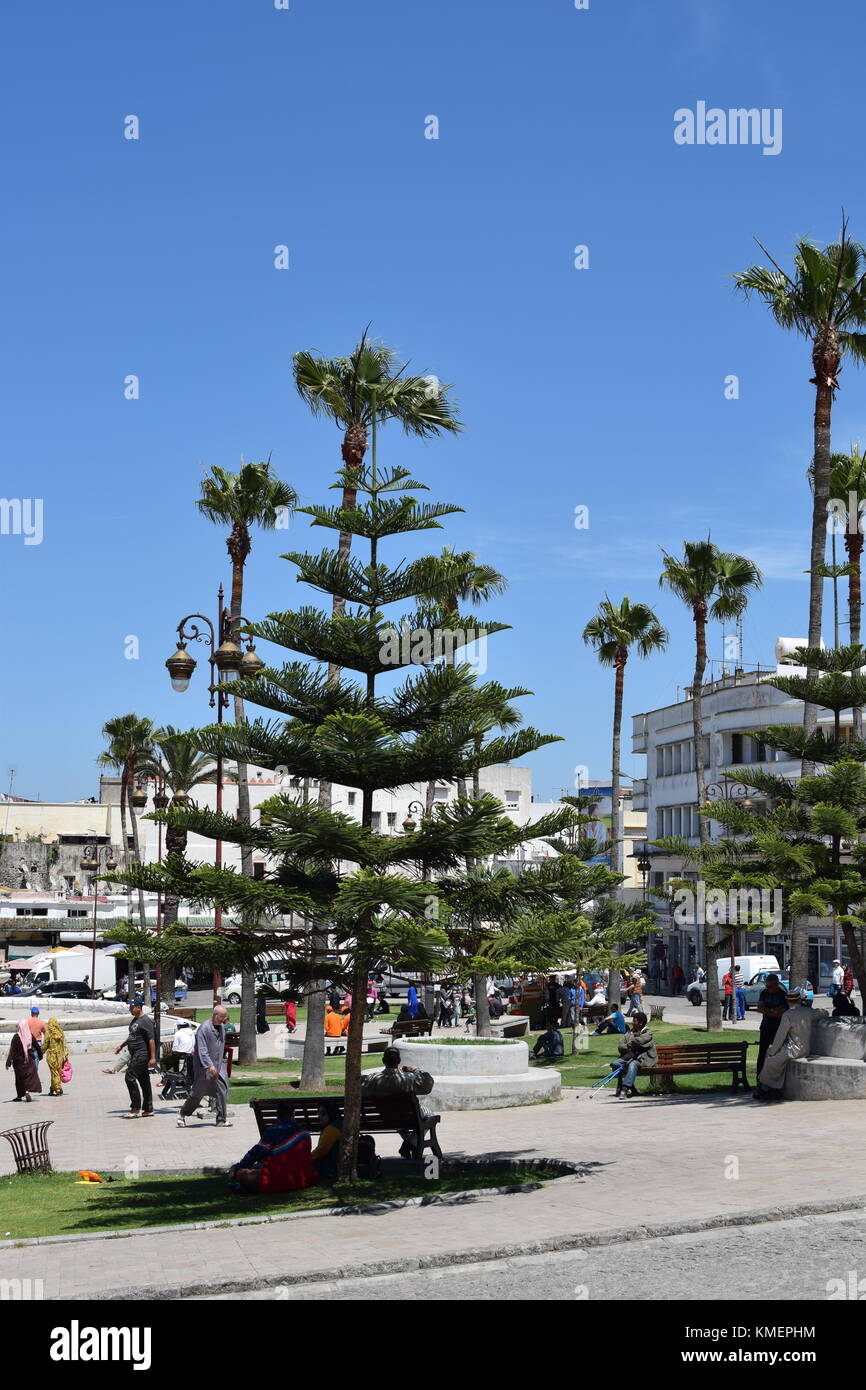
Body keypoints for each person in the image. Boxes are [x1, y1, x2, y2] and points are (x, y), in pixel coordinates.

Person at [361, 1046, 435, 1158]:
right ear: (399, 1061)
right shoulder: (409, 1079)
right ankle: (412, 1143)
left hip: (384, 1116)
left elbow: (359, 1087)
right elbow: (427, 1084)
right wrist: (414, 1070)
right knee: (429, 1114)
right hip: (407, 1116)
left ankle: (409, 1143)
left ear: (383, 1061)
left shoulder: (373, 1079)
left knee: (398, 1118)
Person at [229, 1114, 317, 1194]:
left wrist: (237, 1168)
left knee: (241, 1174)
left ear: (277, 1117)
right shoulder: (304, 1132)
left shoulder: (273, 1130)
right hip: (304, 1179)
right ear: (294, 1114)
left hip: (278, 1180)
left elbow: (255, 1153)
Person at [754, 988, 814, 1101]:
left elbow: (780, 1037)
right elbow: (823, 1012)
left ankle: (765, 1088)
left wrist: (771, 1051)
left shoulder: (788, 1015)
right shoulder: (809, 1012)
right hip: (806, 1049)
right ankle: (772, 1088)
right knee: (776, 1058)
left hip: (794, 1050)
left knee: (770, 1060)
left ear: (789, 1001)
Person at [177, 1006, 231, 1127]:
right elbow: (202, 1050)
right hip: (204, 1067)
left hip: (218, 1066)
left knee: (222, 1090)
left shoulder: (221, 1027)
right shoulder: (204, 1029)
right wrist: (209, 1065)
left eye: (225, 1017)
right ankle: (182, 1114)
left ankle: (221, 1119)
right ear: (215, 1015)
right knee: (198, 1093)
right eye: (222, 1017)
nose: (224, 1019)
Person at [115, 999, 156, 1118]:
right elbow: (132, 1036)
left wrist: (153, 1057)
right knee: (144, 1081)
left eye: (132, 1007)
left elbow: (151, 1040)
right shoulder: (135, 1020)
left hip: (141, 1054)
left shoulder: (146, 1021)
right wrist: (121, 1046)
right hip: (136, 1054)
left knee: (130, 1077)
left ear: (138, 1007)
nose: (130, 1009)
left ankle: (135, 1108)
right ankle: (148, 1109)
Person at [613, 1012, 658, 1098]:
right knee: (615, 1064)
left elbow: (640, 1041)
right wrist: (629, 1046)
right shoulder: (630, 1032)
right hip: (630, 1058)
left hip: (645, 1060)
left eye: (634, 1020)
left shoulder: (648, 1033)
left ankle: (624, 1089)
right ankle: (630, 1088)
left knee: (632, 1064)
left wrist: (629, 1044)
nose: (632, 1022)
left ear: (640, 1023)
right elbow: (620, 1045)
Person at [754, 972, 789, 1076]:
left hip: (778, 1027)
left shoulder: (782, 995)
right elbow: (759, 1009)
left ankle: (776, 1076)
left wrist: (768, 1011)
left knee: (778, 1052)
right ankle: (759, 1076)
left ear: (776, 984)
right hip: (766, 1026)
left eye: (770, 986)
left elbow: (782, 1012)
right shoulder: (764, 993)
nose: (768, 988)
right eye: (767, 986)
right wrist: (772, 1011)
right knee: (762, 1052)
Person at [5, 1018, 41, 1101]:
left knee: (19, 1079)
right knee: (29, 1077)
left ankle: (19, 1096)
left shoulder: (16, 1037)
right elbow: (37, 1046)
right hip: (29, 1061)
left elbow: (12, 1051)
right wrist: (40, 1055)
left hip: (18, 1063)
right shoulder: (29, 1035)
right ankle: (27, 1091)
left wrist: (8, 1063)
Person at [309, 1100, 343, 1181]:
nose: (320, 1116)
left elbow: (320, 1151)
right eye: (319, 1113)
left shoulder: (331, 1129)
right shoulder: (340, 1123)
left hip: (329, 1169)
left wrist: (306, 1159)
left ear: (331, 1113)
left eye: (323, 1113)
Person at [43, 1017, 68, 1096]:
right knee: (57, 1072)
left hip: (51, 1056)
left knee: (54, 1073)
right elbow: (65, 1044)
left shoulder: (49, 1033)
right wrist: (66, 1055)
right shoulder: (61, 1032)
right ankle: (52, 1089)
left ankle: (57, 1088)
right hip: (60, 1056)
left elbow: (45, 1045)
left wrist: (40, 1052)